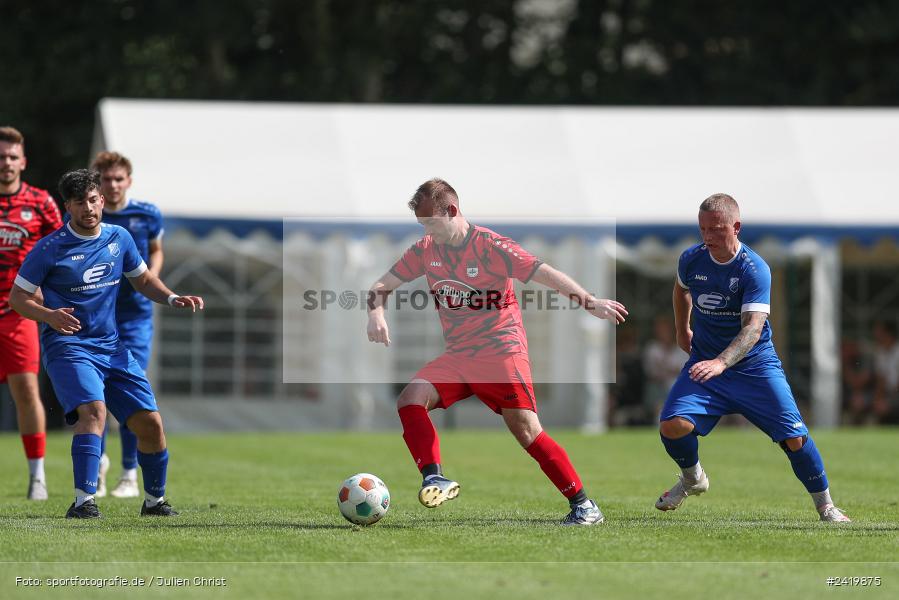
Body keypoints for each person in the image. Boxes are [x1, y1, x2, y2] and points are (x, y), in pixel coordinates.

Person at [366, 178, 627, 526]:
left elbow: (545, 274)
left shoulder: (491, 246)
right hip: (459, 357)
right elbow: (381, 285)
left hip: (502, 353)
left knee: (527, 431)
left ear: (452, 211)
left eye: (431, 222)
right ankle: (434, 477)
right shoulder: (426, 250)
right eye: (422, 224)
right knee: (410, 399)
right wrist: (376, 314)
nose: (427, 231)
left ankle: (583, 504)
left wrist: (590, 302)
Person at [9, 169, 203, 519]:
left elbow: (143, 280)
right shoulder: (50, 248)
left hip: (112, 347)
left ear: (101, 200)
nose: (88, 208)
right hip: (69, 347)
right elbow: (18, 298)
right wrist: (49, 316)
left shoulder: (120, 237)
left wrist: (173, 298)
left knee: (150, 423)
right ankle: (83, 502)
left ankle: (154, 502)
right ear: (68, 207)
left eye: (93, 200)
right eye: (79, 202)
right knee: (94, 411)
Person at [654, 193, 850, 522]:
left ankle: (826, 506)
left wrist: (721, 363)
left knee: (794, 438)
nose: (708, 236)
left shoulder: (754, 269)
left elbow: (752, 329)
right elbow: (681, 288)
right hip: (705, 363)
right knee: (672, 425)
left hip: (754, 367)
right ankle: (692, 479)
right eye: (703, 229)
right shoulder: (691, 259)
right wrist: (681, 329)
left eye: (716, 229)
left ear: (736, 227)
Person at [88, 151, 164, 499]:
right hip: (97, 316)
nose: (113, 185)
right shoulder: (88, 215)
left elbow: (156, 249)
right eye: (106, 179)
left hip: (135, 317)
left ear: (129, 181)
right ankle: (98, 467)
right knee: (97, 394)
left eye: (119, 179)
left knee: (132, 391)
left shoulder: (147, 214)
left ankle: (130, 473)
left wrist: (151, 277)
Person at [0, 126, 63, 500]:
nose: (6, 163)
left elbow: (64, 249)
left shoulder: (40, 202)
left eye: (12, 157)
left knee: (26, 391)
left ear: (22, 162)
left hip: (19, 312)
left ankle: (37, 476)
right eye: (0, 157)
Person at [642, 315, 688, 420]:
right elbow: (651, 372)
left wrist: (663, 367)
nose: (663, 333)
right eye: (660, 330)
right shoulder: (652, 348)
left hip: (677, 386)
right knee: (659, 402)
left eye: (666, 330)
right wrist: (669, 370)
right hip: (657, 387)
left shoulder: (681, 348)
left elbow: (683, 371)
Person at [871, 321, 899, 424]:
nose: (876, 337)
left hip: (895, 393)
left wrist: (888, 400)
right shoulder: (880, 353)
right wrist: (878, 398)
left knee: (884, 406)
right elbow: (881, 379)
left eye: (879, 334)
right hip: (889, 393)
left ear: (888, 334)